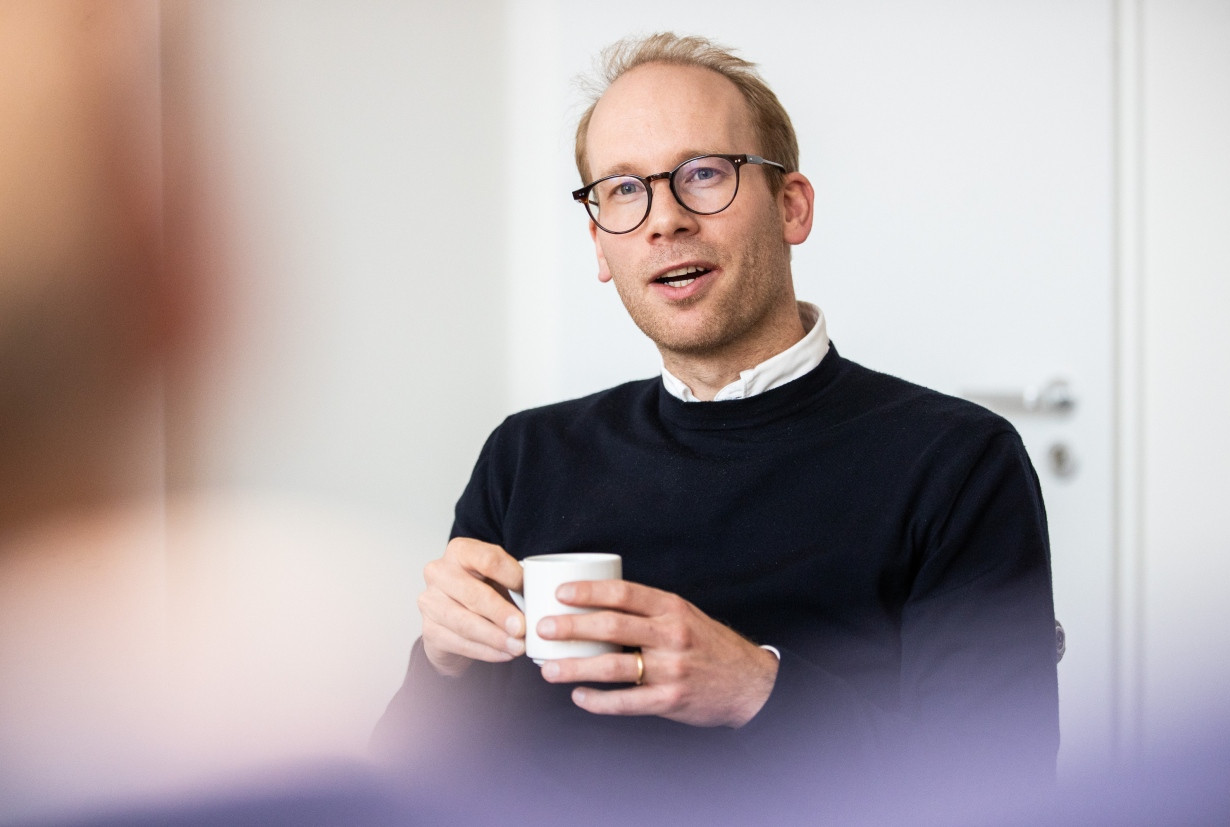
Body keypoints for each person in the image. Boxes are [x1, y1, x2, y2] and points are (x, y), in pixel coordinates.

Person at [374, 32, 1059, 821]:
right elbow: (401, 782)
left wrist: (757, 688)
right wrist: (441, 660)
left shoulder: (955, 461)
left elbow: (1003, 794)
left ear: (791, 207)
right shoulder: (527, 455)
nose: (664, 219)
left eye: (704, 174)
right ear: (600, 243)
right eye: (624, 190)